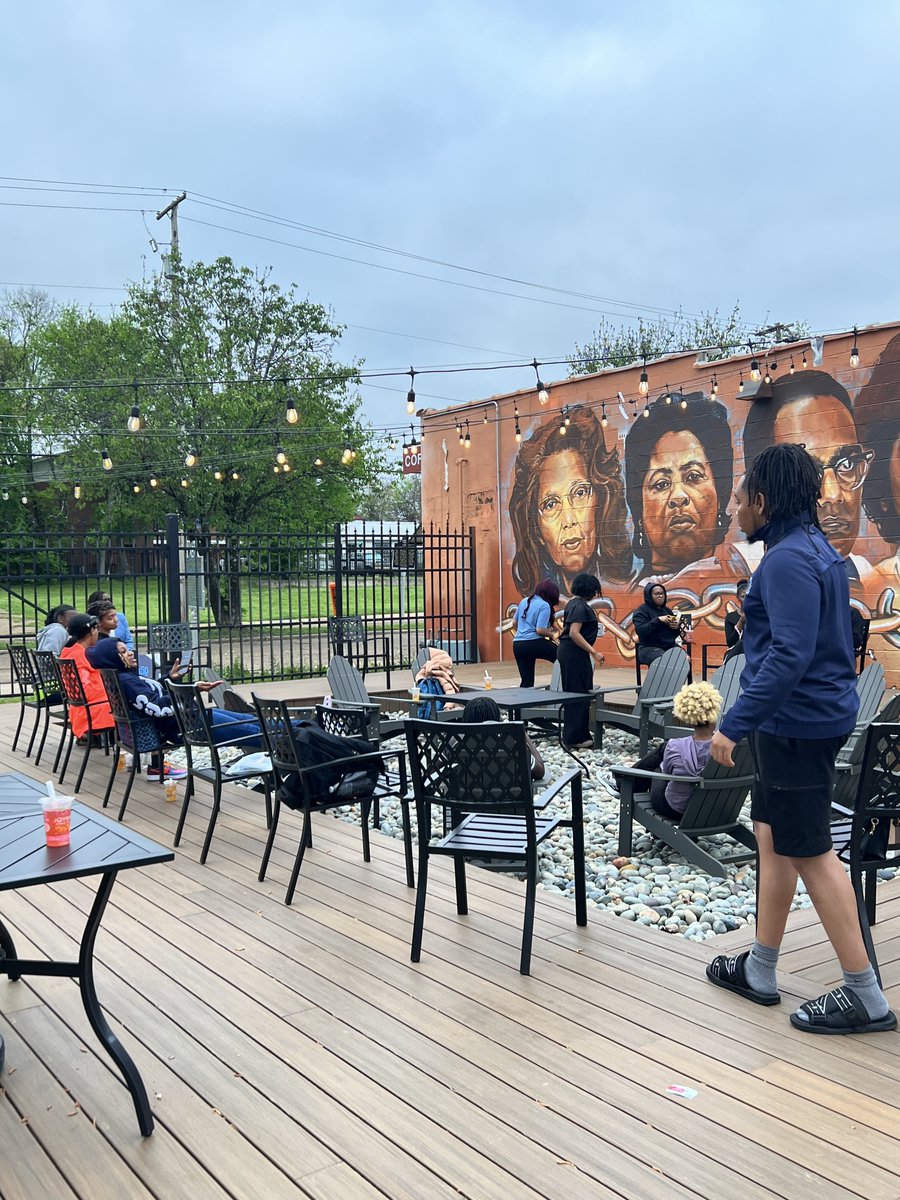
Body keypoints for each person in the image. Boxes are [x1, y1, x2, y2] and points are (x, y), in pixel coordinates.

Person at [706, 444, 896, 1035]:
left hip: (794, 727)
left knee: (811, 850)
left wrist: (732, 723)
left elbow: (788, 656)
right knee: (771, 836)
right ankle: (761, 968)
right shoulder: (819, 552)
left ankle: (865, 996)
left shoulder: (787, 561)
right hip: (807, 720)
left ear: (762, 501)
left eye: (741, 497)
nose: (736, 506)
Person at [741, 370, 874, 578]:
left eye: (847, 464)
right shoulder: (755, 568)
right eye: (807, 472)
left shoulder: (863, 573)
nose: (832, 495)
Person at [509, 404, 632, 596]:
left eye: (580, 493)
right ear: (537, 529)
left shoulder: (629, 586)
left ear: (600, 503)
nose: (569, 520)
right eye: (550, 504)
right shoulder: (539, 601)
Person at [87, 635, 267, 753]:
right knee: (256, 731)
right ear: (112, 658)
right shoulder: (127, 680)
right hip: (188, 727)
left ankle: (295, 728)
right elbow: (157, 708)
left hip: (191, 718)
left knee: (251, 720)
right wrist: (192, 689)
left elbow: (148, 695)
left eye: (127, 648)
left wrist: (168, 678)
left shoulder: (122, 677)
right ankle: (292, 739)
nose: (131, 652)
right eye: (123, 652)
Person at [624, 392, 734, 582]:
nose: (678, 496)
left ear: (720, 493)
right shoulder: (629, 602)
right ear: (638, 507)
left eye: (693, 476)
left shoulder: (743, 575)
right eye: (661, 484)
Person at [599, 681, 722, 815]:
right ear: (714, 715)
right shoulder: (730, 748)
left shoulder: (675, 746)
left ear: (688, 719)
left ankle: (623, 785)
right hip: (713, 810)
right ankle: (622, 783)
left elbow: (666, 773)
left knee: (658, 767)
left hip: (674, 809)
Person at [556, 572, 604, 750]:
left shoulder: (573, 604)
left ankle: (578, 734)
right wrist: (594, 652)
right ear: (590, 589)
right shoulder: (580, 606)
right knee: (578, 694)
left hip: (571, 652)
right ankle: (574, 737)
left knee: (578, 692)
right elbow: (574, 633)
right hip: (574, 652)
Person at [58, 613, 116, 743]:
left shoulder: (68, 652)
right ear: (91, 631)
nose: (97, 633)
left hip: (78, 710)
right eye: (96, 629)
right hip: (94, 710)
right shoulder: (81, 656)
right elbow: (86, 690)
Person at [463, 696, 545, 780]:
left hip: (467, 793)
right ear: (497, 720)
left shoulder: (457, 747)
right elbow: (540, 772)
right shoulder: (513, 747)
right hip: (511, 793)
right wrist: (522, 734)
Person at [512, 577, 560, 687]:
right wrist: (552, 634)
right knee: (563, 657)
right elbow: (540, 630)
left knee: (527, 681)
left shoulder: (524, 601)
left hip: (518, 645)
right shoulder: (544, 605)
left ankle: (524, 702)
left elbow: (514, 623)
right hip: (534, 643)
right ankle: (567, 687)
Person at [632, 582, 680, 666]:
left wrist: (675, 627)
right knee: (663, 659)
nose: (660, 596)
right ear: (650, 596)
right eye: (657, 594)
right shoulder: (641, 611)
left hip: (669, 646)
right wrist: (658, 620)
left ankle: (678, 679)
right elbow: (640, 631)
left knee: (685, 659)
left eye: (662, 593)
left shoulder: (667, 610)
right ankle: (657, 679)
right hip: (648, 647)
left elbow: (674, 634)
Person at [722, 578, 749, 664]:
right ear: (737, 597)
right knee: (741, 644)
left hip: (754, 653)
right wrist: (741, 622)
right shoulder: (731, 617)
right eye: (743, 597)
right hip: (735, 655)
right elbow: (730, 643)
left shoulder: (758, 616)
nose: (746, 600)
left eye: (748, 596)